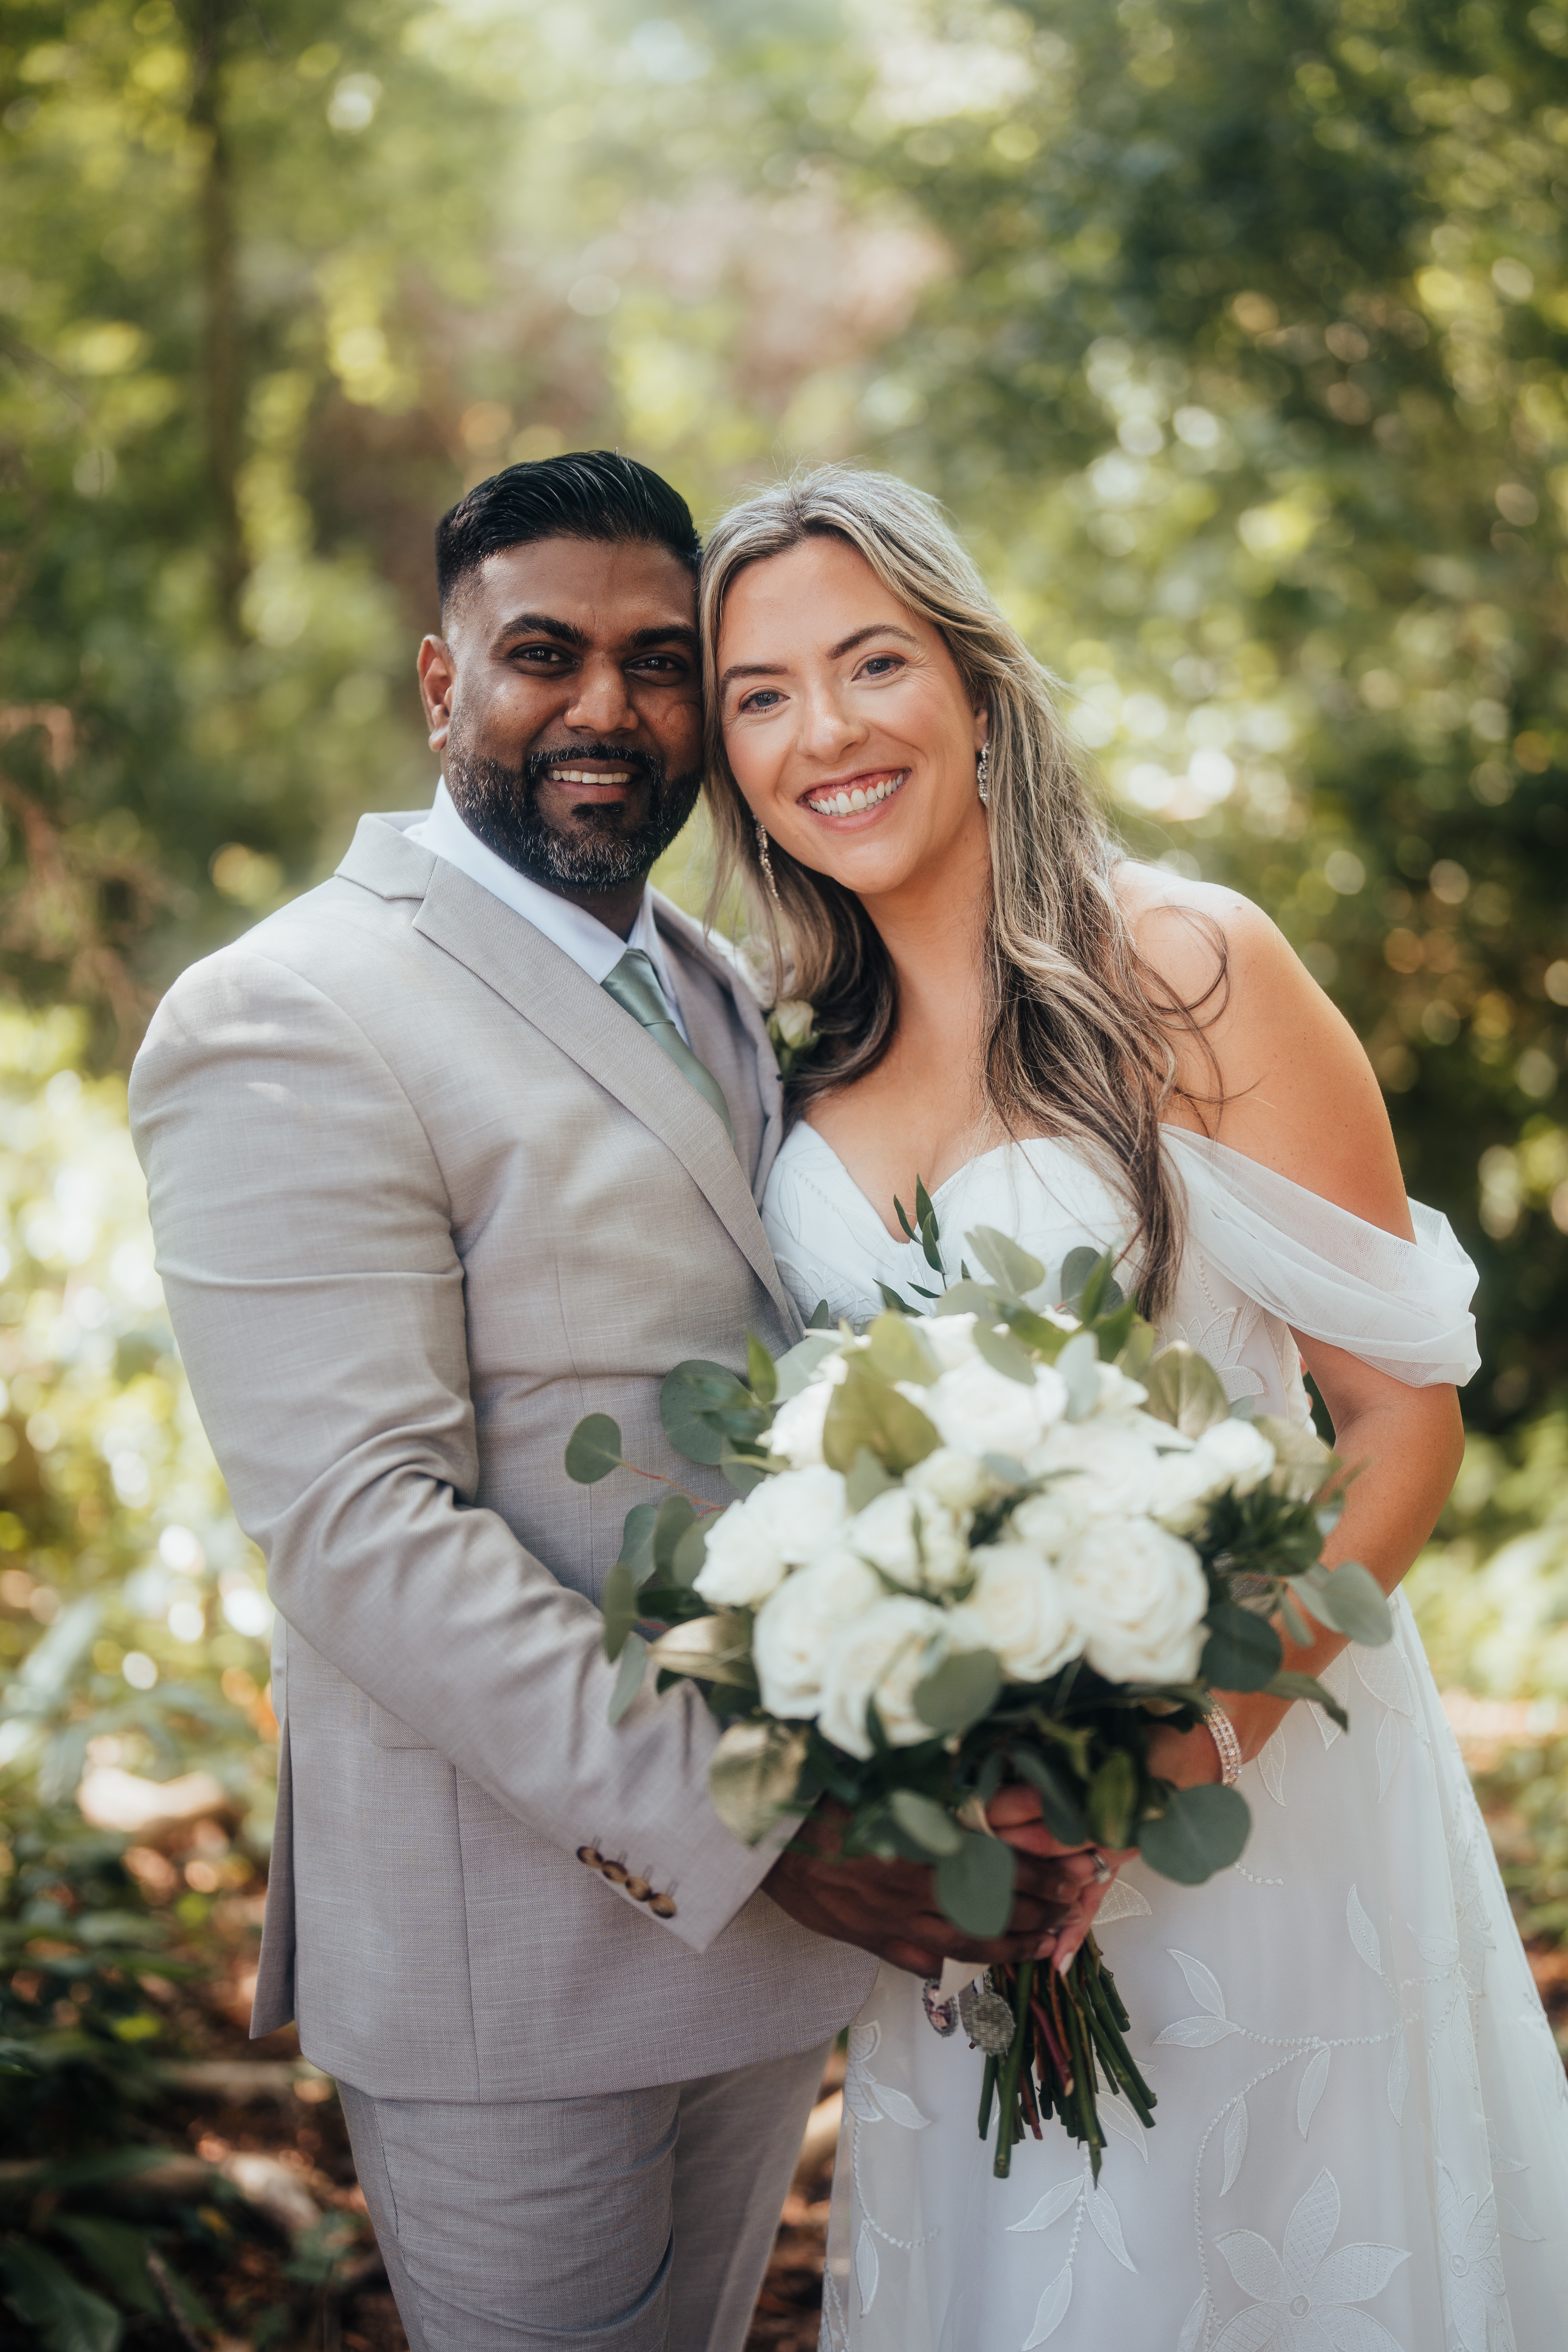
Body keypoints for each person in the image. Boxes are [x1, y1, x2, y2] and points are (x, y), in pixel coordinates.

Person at [129, 451, 1093, 2352]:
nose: (608, 709)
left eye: (664, 667)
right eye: (543, 655)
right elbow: (360, 1532)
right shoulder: (293, 1011)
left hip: (762, 1945)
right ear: (439, 682)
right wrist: (759, 1817)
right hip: (522, 1955)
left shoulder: (722, 980)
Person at [698, 463, 1568, 2352]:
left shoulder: (1184, 968)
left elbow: (1404, 1424)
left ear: (980, 686)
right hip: (978, 1880)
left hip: (1258, 1819)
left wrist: (1173, 1765)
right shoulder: (789, 1071)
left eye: (871, 665)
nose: (823, 733)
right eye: (761, 695)